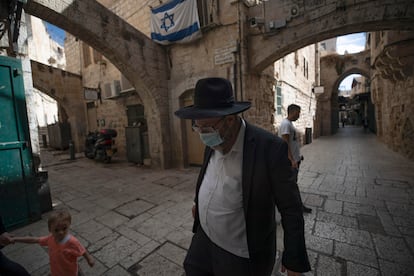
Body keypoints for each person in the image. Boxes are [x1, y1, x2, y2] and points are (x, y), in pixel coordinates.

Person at [175, 77, 310, 276]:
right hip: (203, 239)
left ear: (230, 119)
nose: (202, 135)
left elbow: (291, 207)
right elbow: (207, 174)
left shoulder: (269, 149)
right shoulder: (213, 141)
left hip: (240, 254)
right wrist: (199, 202)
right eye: (197, 127)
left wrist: (294, 259)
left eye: (207, 129)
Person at [13, 209, 95, 276]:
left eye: (64, 228)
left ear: (69, 225)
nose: (61, 232)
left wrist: (89, 259)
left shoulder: (72, 241)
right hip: (56, 271)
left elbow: (82, 250)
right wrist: (16, 239)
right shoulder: (50, 239)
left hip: (69, 273)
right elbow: (34, 240)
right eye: (56, 230)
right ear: (50, 230)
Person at [279, 104, 312, 213]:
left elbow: (293, 143)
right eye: (298, 113)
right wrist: (292, 160)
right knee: (292, 186)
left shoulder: (289, 124)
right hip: (290, 162)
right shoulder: (285, 124)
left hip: (295, 160)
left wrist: (298, 157)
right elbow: (285, 143)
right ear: (292, 112)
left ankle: (291, 205)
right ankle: (297, 206)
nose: (299, 115)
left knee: (292, 185)